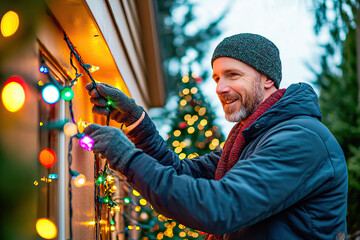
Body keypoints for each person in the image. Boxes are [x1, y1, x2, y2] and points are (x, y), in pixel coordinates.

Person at [84, 33, 348, 240]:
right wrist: (136, 122)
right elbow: (182, 172)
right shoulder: (251, 139)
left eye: (233, 75)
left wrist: (128, 160)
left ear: (267, 79)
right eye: (216, 77)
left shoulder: (300, 139)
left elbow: (219, 208)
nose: (220, 88)